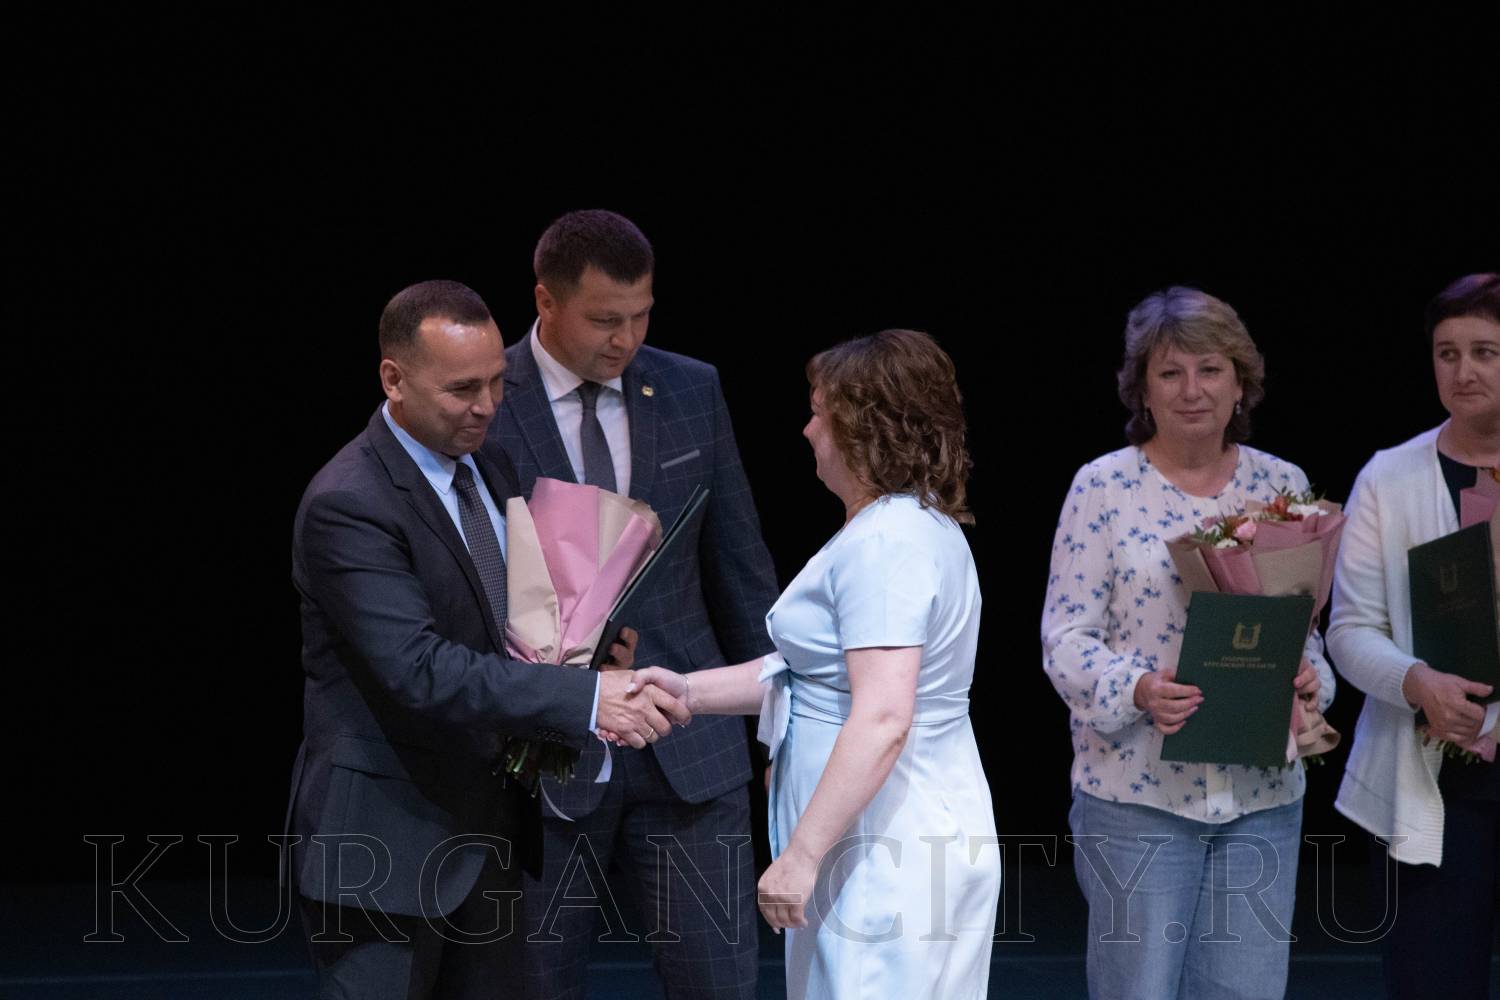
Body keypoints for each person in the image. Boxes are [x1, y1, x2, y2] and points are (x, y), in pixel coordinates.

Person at [285, 279, 688, 1000]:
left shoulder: (490, 467)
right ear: (393, 379)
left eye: (497, 382)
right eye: (462, 389)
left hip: (491, 843)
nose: (487, 405)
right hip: (385, 851)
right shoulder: (350, 502)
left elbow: (508, 629)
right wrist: (586, 697)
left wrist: (589, 652)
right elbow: (419, 669)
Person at [630, 329, 1001, 1000]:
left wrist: (801, 856)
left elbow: (882, 716)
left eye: (819, 412)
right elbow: (811, 675)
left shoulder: (887, 543)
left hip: (883, 846)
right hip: (898, 834)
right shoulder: (909, 527)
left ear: (862, 427)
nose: (807, 430)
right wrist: (685, 690)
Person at [487, 210, 780, 999]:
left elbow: (740, 564)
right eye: (604, 319)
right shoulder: (486, 398)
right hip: (542, 754)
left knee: (720, 986)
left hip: (690, 747)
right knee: (533, 986)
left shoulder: (689, 387)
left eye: (641, 314)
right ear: (545, 301)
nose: (626, 339)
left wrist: (778, 731)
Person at [1041, 287, 1334, 1000]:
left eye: (1210, 369)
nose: (1192, 390)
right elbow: (1065, 639)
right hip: (1138, 797)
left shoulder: (1283, 485)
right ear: (1143, 389)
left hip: (1261, 797)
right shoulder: (1101, 487)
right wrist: (1141, 689)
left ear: (1240, 381)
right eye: (1170, 373)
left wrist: (1309, 679)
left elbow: (1306, 632)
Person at [1327, 273, 1500, 1000]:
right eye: (1447, 353)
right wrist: (1416, 682)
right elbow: (1350, 629)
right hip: (1430, 784)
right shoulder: (1389, 477)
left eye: (1486, 352)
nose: (1464, 371)